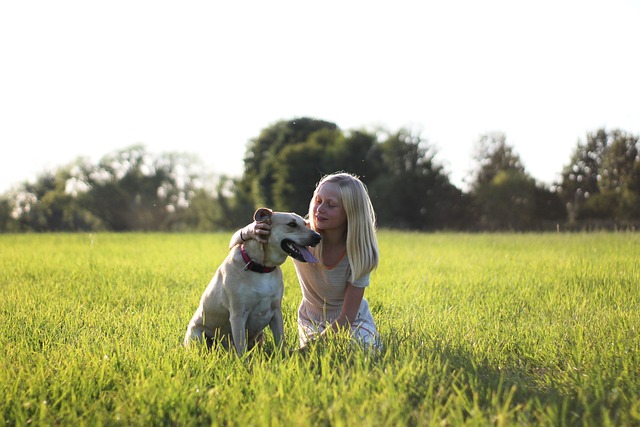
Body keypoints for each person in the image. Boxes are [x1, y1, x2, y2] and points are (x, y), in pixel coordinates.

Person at [229, 172, 382, 351]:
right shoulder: (299, 233)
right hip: (312, 320)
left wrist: (303, 351)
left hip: (353, 320)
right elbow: (234, 244)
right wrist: (249, 230)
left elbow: (346, 318)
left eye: (331, 205)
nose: (320, 209)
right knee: (319, 356)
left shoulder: (360, 252)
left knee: (360, 350)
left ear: (351, 212)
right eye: (318, 201)